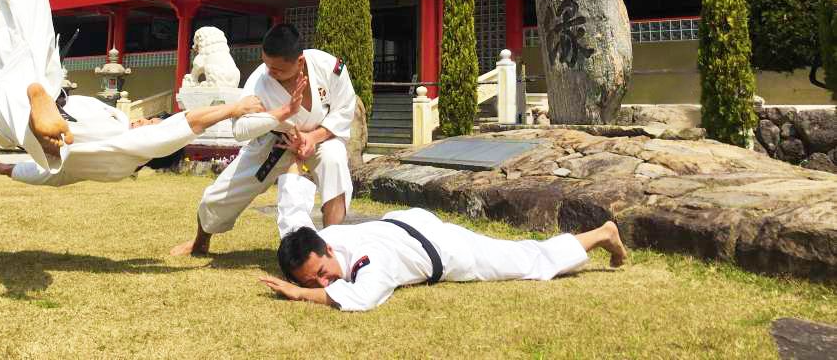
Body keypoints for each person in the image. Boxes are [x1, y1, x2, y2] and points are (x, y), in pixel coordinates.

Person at [0, 0, 262, 187]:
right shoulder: (117, 143)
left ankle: (40, 110)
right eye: (152, 121)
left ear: (160, 144)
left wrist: (235, 108)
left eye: (155, 123)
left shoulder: (136, 150)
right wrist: (10, 170)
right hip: (38, 93)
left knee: (31, 100)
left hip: (20, 113)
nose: (147, 121)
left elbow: (189, 122)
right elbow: (55, 177)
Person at [260, 170, 628, 311]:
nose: (326, 281)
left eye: (323, 273)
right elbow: (292, 221)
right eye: (313, 281)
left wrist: (303, 293)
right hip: (405, 225)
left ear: (326, 251)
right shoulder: (317, 241)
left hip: (442, 249)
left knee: (526, 260)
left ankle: (602, 233)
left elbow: (365, 296)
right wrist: (294, 167)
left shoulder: (368, 261)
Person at [171, 23, 356, 256]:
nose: (269, 71)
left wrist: (312, 137)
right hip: (274, 143)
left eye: (277, 68)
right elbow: (240, 128)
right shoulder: (260, 80)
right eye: (266, 63)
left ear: (299, 61)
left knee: (335, 161)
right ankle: (200, 241)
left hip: (320, 138)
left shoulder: (329, 67)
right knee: (217, 196)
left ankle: (333, 245)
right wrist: (282, 113)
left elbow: (343, 110)